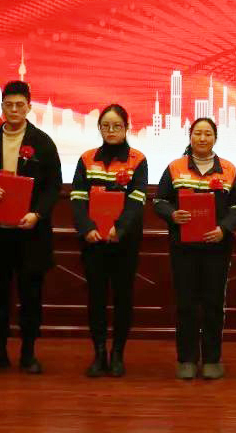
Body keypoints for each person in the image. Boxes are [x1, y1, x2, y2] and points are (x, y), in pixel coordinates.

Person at [0, 80, 62, 375]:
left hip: (29, 233)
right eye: (9, 105)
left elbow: (53, 186)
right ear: (2, 108)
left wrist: (38, 213)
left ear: (29, 107)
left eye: (20, 105)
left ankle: (28, 353)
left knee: (30, 296)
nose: (14, 110)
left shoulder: (42, 143)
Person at [153, 118, 236, 380]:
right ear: (190, 136)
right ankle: (186, 359)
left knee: (213, 304)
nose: (203, 138)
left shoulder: (228, 169)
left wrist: (224, 229)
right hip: (183, 248)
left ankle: (212, 359)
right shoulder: (175, 168)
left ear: (215, 138)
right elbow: (159, 200)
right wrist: (172, 215)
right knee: (185, 304)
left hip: (216, 247)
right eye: (198, 133)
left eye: (208, 134)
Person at [69, 104, 148, 377]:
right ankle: (99, 353)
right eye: (106, 126)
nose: (111, 130)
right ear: (99, 128)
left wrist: (120, 229)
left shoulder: (137, 159)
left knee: (123, 298)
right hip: (93, 241)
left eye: (117, 126)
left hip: (123, 242)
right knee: (97, 298)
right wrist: (86, 228)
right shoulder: (87, 159)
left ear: (126, 128)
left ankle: (118, 355)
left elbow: (137, 199)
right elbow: (77, 197)